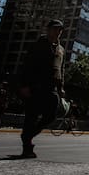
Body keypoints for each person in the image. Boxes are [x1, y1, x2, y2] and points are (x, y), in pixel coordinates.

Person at [18, 19, 66, 158]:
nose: (58, 32)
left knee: (51, 115)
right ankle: (27, 147)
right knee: (31, 117)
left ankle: (28, 135)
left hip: (51, 88)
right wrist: (24, 85)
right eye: (55, 29)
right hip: (35, 86)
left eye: (60, 30)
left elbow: (61, 70)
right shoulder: (38, 45)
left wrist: (61, 88)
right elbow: (26, 65)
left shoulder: (61, 49)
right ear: (48, 29)